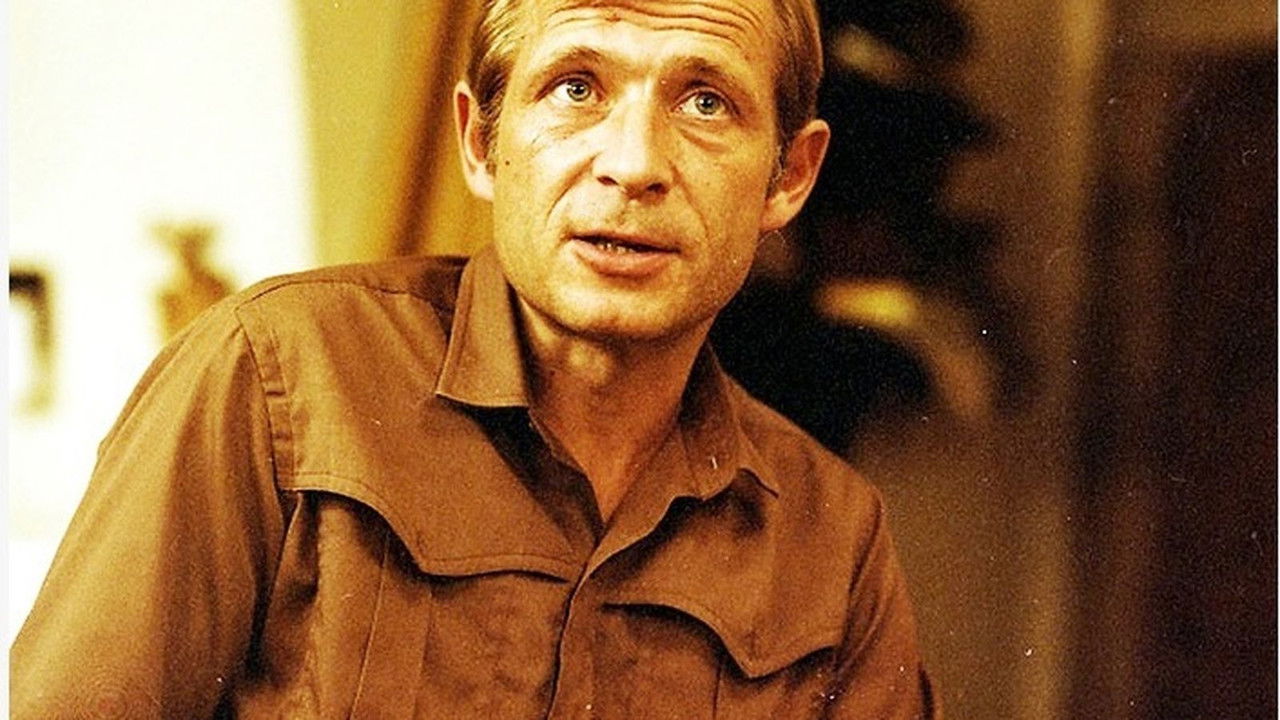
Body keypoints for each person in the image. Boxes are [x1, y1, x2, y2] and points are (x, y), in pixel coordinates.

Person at [11, 0, 937, 717]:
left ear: (789, 176)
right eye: (576, 89)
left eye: (705, 102)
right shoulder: (275, 376)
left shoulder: (833, 542)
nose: (633, 163)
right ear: (480, 142)